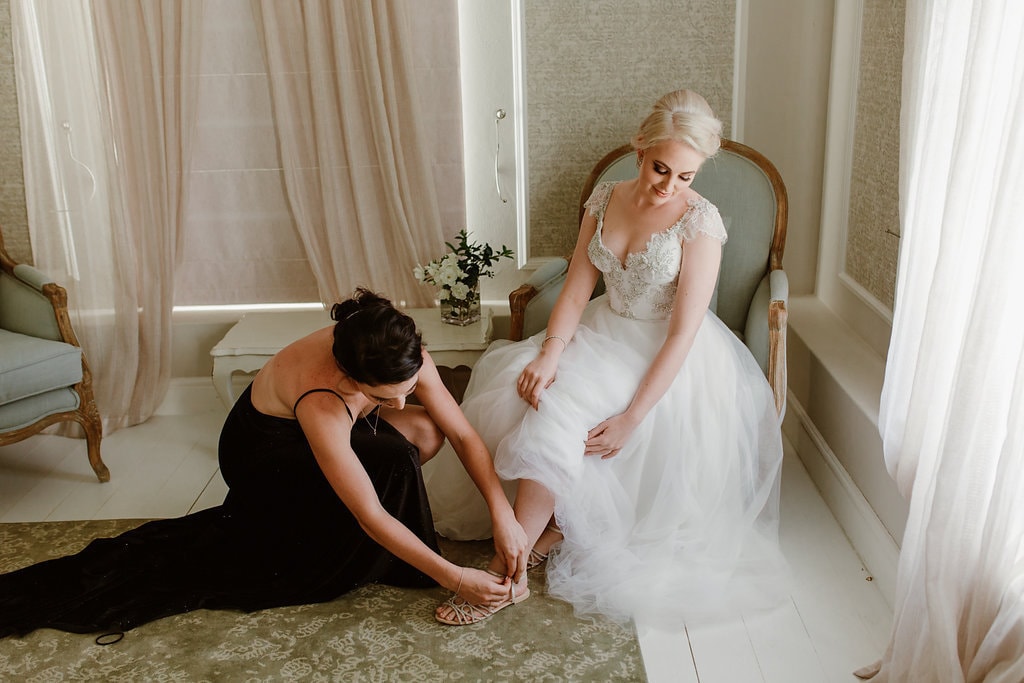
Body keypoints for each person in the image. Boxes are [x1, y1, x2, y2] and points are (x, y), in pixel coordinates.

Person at [430, 90, 790, 627]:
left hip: (666, 354)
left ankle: (508, 574)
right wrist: (551, 353)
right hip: (602, 329)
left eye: (686, 177)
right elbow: (577, 288)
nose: (669, 186)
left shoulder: (701, 224)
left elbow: (682, 336)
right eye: (660, 168)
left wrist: (631, 418)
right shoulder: (606, 195)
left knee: (562, 412)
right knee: (526, 387)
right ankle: (540, 537)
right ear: (639, 147)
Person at [0, 288, 528, 638]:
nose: (396, 404)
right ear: (349, 380)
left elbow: (460, 431)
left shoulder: (396, 348)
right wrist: (452, 575)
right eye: (383, 396)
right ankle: (351, 537)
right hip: (266, 453)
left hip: (319, 432)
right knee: (392, 455)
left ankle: (373, 533)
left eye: (406, 389)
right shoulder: (323, 397)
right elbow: (369, 512)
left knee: (425, 429)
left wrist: (503, 515)